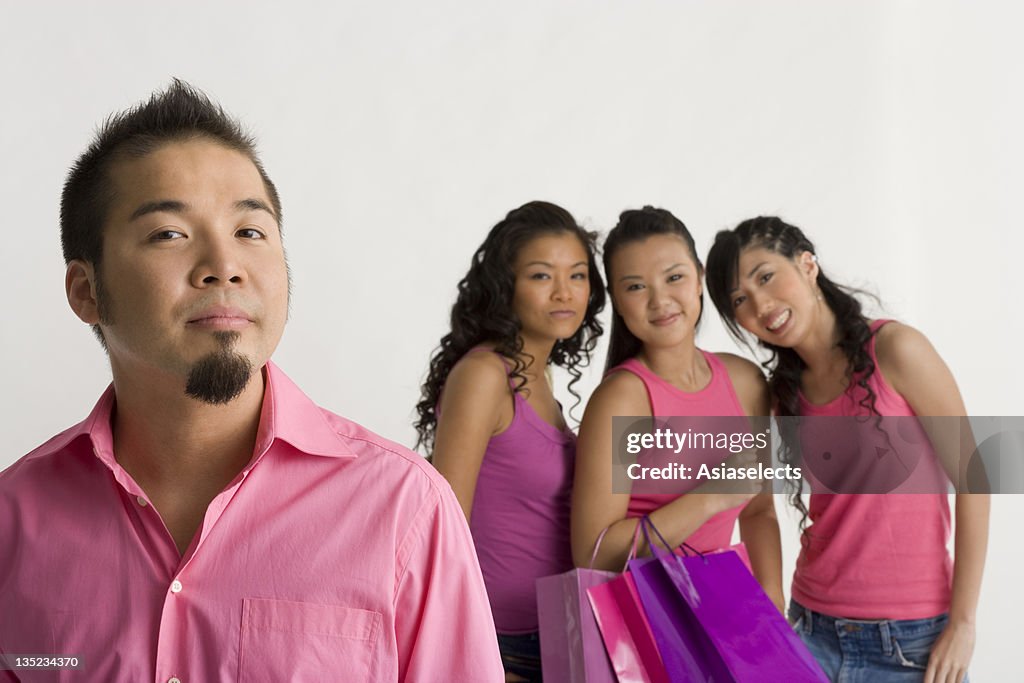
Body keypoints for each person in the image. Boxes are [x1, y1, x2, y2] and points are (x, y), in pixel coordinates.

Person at [0, 80, 503, 682]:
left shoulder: (404, 510)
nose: (224, 267)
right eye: (169, 234)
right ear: (86, 291)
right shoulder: (13, 520)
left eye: (249, 232)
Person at [705, 215, 989, 683]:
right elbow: (755, 508)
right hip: (812, 627)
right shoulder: (782, 393)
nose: (761, 304)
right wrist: (772, 607)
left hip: (912, 643)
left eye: (766, 276)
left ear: (807, 264)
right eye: (740, 299)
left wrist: (963, 623)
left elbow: (974, 475)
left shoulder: (896, 349)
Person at [414, 201, 605, 682]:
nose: (564, 292)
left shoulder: (541, 379)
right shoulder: (484, 375)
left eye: (578, 275)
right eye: (542, 276)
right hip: (501, 640)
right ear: (506, 287)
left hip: (562, 630)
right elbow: (444, 521)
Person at [572, 206, 785, 612]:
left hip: (723, 611)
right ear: (617, 300)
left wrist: (773, 602)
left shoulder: (745, 381)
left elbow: (760, 511)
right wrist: (708, 499)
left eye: (674, 278)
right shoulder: (621, 399)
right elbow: (593, 555)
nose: (660, 300)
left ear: (700, 279)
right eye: (636, 287)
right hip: (643, 623)